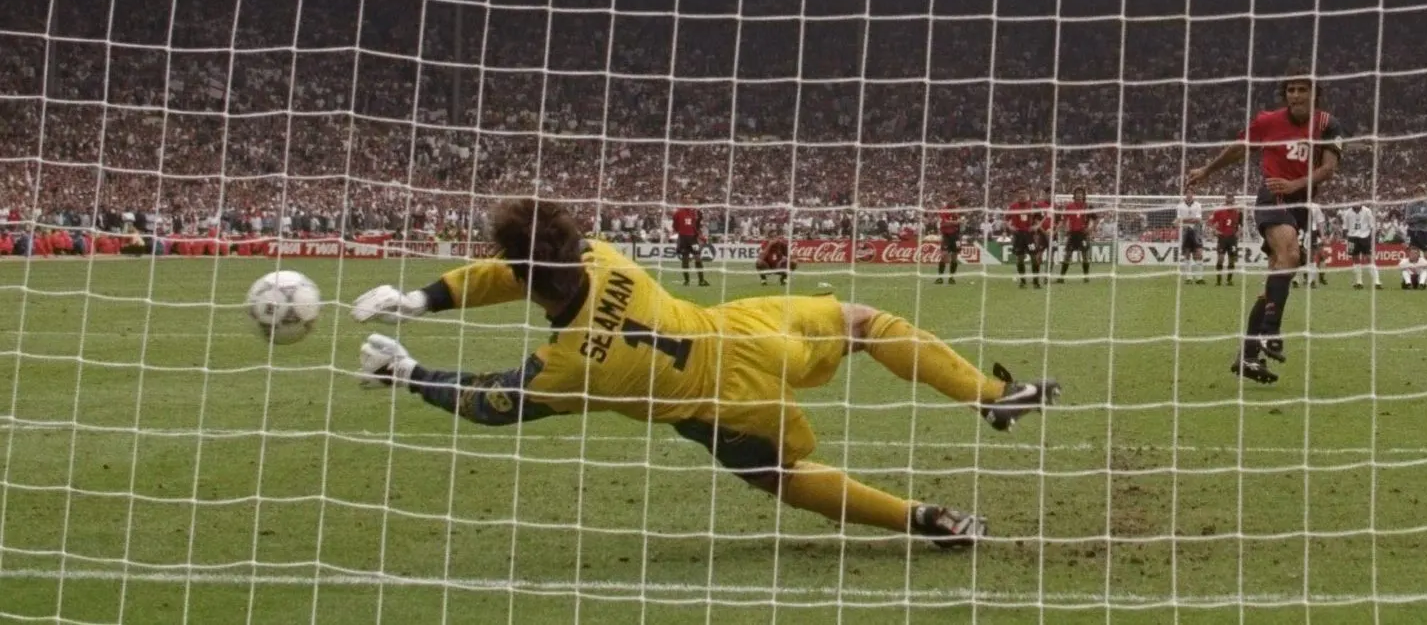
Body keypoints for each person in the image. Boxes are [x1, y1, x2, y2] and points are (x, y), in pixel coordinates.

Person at [352, 198, 1056, 548]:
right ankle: (994, 395)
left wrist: (409, 367)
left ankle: (926, 521)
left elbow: (489, 403)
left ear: (526, 280)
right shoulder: (606, 259)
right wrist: (421, 301)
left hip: (720, 406)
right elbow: (527, 269)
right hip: (747, 329)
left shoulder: (566, 369)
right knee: (866, 324)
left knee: (779, 478)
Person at [1185, 72, 1344, 384]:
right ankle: (1272, 331)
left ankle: (1247, 356)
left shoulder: (1327, 124)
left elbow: (1328, 169)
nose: (1295, 95)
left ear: (1315, 94)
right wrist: (1207, 170)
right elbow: (1238, 148)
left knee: (1277, 274)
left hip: (1300, 203)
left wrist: (1296, 183)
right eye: (1290, 90)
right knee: (1291, 251)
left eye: (1302, 90)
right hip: (1272, 195)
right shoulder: (1268, 121)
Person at [1055, 191, 1094, 283]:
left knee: (1085, 256)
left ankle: (1086, 277)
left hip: (1083, 234)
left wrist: (1090, 229)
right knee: (1067, 255)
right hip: (1072, 234)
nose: (1079, 195)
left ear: (1083, 196)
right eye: (1077, 194)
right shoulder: (1069, 206)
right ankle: (1061, 277)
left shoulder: (1088, 206)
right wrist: (1065, 229)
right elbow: (1064, 219)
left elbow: (1096, 219)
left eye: (1081, 194)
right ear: (1074, 196)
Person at [1342, 202, 1381, 289]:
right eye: (1354, 200)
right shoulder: (1347, 213)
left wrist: (1372, 238)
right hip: (1352, 237)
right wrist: (1346, 239)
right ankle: (1359, 282)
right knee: (1355, 258)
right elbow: (1345, 228)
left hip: (1365, 236)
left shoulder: (1367, 211)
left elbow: (1372, 226)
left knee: (1369, 258)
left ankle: (1377, 282)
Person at [1207, 196, 1244, 285]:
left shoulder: (1238, 213)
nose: (1230, 203)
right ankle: (1218, 281)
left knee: (1232, 260)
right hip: (1222, 238)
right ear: (1226, 202)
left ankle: (1229, 280)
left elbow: (1241, 225)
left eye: (1231, 202)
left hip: (1232, 239)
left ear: (1234, 202)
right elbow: (1209, 222)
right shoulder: (1219, 212)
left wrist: (1239, 232)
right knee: (1221, 259)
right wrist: (1215, 231)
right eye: (1228, 202)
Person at [671, 204, 708, 288]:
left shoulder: (694, 213)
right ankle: (687, 281)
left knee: (698, 257)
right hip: (683, 239)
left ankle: (701, 280)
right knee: (685, 259)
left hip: (693, 239)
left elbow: (697, 225)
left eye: (689, 198)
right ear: (683, 200)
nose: (688, 200)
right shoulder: (678, 213)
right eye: (685, 198)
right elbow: (675, 226)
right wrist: (681, 232)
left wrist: (699, 217)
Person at [1175, 193, 1206, 283]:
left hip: (1196, 231)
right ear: (1185, 195)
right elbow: (1178, 219)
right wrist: (1190, 219)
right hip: (1185, 232)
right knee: (1187, 254)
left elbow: (1198, 219)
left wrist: (1185, 219)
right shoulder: (1180, 206)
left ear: (1193, 195)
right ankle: (1189, 278)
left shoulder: (1198, 205)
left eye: (1191, 194)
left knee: (1198, 254)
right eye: (1187, 193)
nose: (1189, 195)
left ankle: (1199, 278)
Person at [933, 201, 965, 284]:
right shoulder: (943, 211)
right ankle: (940, 277)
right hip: (946, 237)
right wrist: (956, 222)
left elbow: (961, 225)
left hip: (956, 237)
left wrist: (961, 223)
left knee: (955, 257)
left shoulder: (956, 213)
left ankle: (951, 277)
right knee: (944, 256)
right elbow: (944, 223)